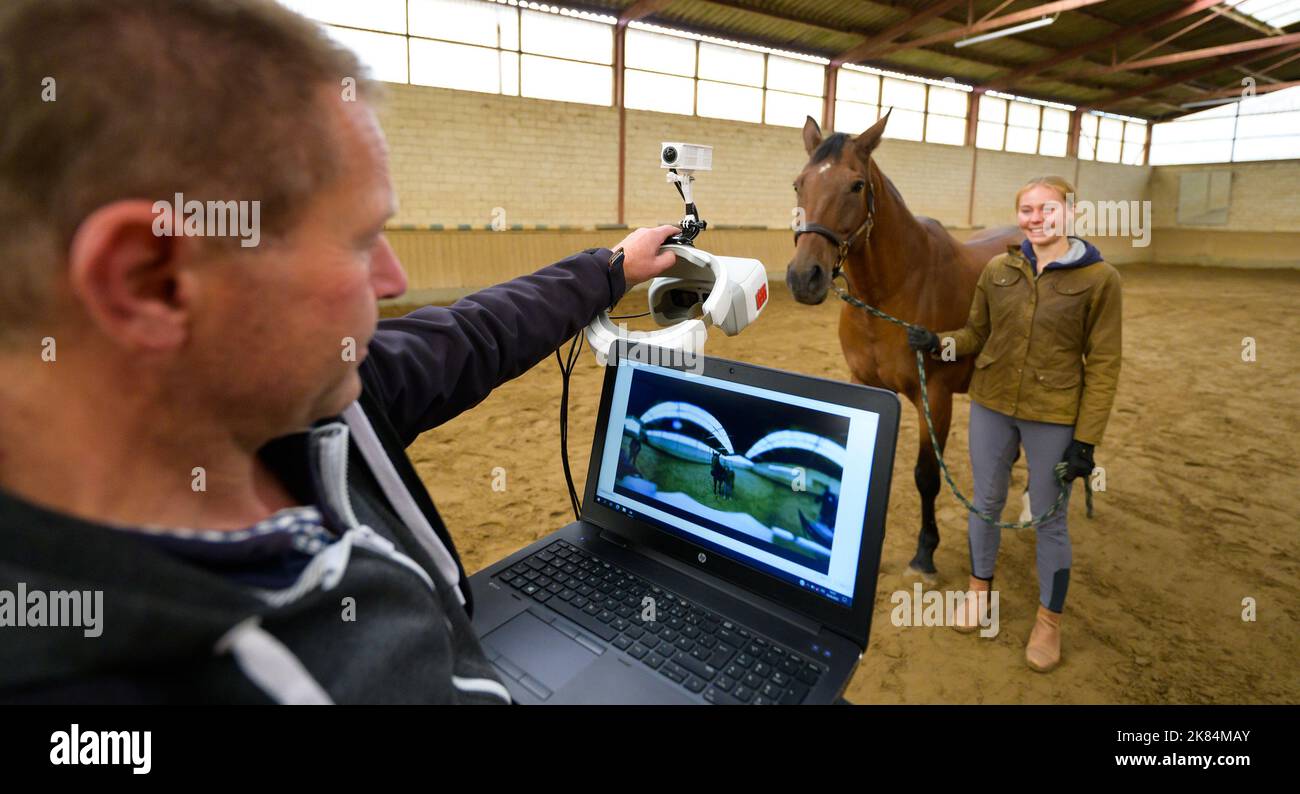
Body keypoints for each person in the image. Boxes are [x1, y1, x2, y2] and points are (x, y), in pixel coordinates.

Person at [0, 0, 681, 703]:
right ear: (152, 282)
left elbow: (474, 335)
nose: (394, 280)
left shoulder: (302, 392)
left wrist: (609, 270)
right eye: (360, 242)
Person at [906, 176, 1122, 672]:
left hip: (1054, 414)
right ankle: (979, 591)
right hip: (991, 405)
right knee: (985, 503)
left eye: (1048, 208)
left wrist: (1086, 440)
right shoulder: (999, 269)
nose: (1036, 218)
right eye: (1027, 209)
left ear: (1069, 214)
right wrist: (937, 343)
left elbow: (1105, 365)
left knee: (1048, 519)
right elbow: (976, 333)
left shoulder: (1100, 280)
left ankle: (1049, 620)